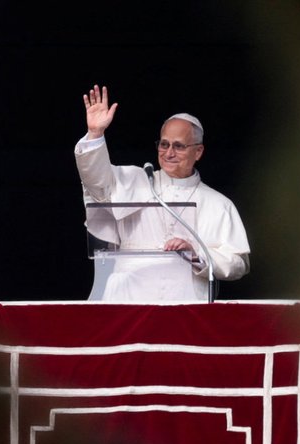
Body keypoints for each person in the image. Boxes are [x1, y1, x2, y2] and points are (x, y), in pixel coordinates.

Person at [75, 84, 250, 301]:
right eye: (164, 144)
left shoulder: (218, 203)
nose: (169, 153)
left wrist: (197, 254)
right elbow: (96, 182)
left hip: (184, 301)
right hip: (128, 297)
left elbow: (237, 263)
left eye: (179, 146)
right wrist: (95, 133)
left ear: (198, 151)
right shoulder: (136, 180)